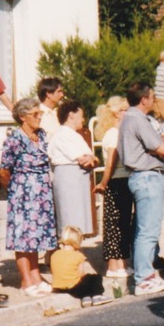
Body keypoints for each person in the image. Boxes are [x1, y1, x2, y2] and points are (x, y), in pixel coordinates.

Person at [116, 81, 164, 296]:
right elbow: (163, 148)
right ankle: (144, 278)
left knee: (143, 229)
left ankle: (145, 275)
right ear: (144, 99)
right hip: (148, 176)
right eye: (152, 97)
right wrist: (160, 147)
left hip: (140, 177)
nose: (154, 101)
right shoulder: (138, 119)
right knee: (148, 230)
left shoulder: (128, 118)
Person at [0, 96, 56, 294]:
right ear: (23, 116)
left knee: (36, 236)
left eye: (40, 113)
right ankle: (26, 280)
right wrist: (17, 191)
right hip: (23, 193)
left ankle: (35, 275)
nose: (39, 117)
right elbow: (4, 170)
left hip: (41, 193)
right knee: (24, 237)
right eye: (35, 114)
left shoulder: (41, 135)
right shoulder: (15, 138)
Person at [93, 94, 132, 295]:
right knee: (115, 223)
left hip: (122, 180)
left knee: (122, 223)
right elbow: (110, 164)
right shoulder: (112, 135)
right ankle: (113, 266)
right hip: (116, 181)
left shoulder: (118, 132)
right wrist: (103, 182)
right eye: (125, 109)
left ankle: (121, 264)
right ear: (117, 113)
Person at [48, 99, 97, 236]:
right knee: (70, 222)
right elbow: (84, 159)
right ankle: (68, 255)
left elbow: (92, 158)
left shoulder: (75, 135)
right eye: (81, 115)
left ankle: (74, 253)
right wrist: (91, 159)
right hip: (68, 180)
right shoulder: (62, 135)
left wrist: (92, 158)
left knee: (78, 223)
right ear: (71, 115)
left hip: (77, 180)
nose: (83, 119)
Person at [49, 224, 107, 305]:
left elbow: (53, 271)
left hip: (58, 287)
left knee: (82, 282)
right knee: (94, 278)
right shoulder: (78, 255)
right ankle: (96, 296)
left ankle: (86, 298)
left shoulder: (54, 255)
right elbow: (81, 273)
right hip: (73, 288)